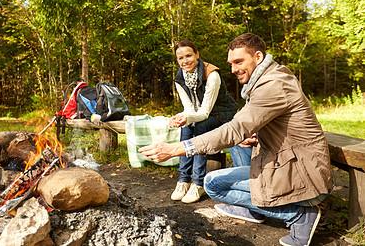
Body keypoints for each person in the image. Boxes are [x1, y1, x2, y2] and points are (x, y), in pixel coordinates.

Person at [140, 33, 333, 246]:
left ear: (258, 57)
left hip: (306, 177)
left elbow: (235, 128)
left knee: (213, 184)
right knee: (236, 143)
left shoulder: (273, 84)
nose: (233, 69)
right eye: (231, 63)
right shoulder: (268, 78)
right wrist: (256, 135)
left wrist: (178, 149)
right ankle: (252, 208)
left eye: (239, 62)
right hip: (291, 160)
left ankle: (298, 216)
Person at [169, 40, 239, 204]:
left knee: (200, 127)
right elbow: (189, 109)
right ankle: (183, 180)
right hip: (201, 115)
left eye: (189, 55)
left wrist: (188, 117)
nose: (185, 61)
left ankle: (198, 182)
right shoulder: (180, 79)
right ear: (177, 60)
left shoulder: (211, 74)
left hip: (222, 114)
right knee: (187, 126)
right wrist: (181, 118)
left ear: (197, 55)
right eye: (181, 58)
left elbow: (205, 112)